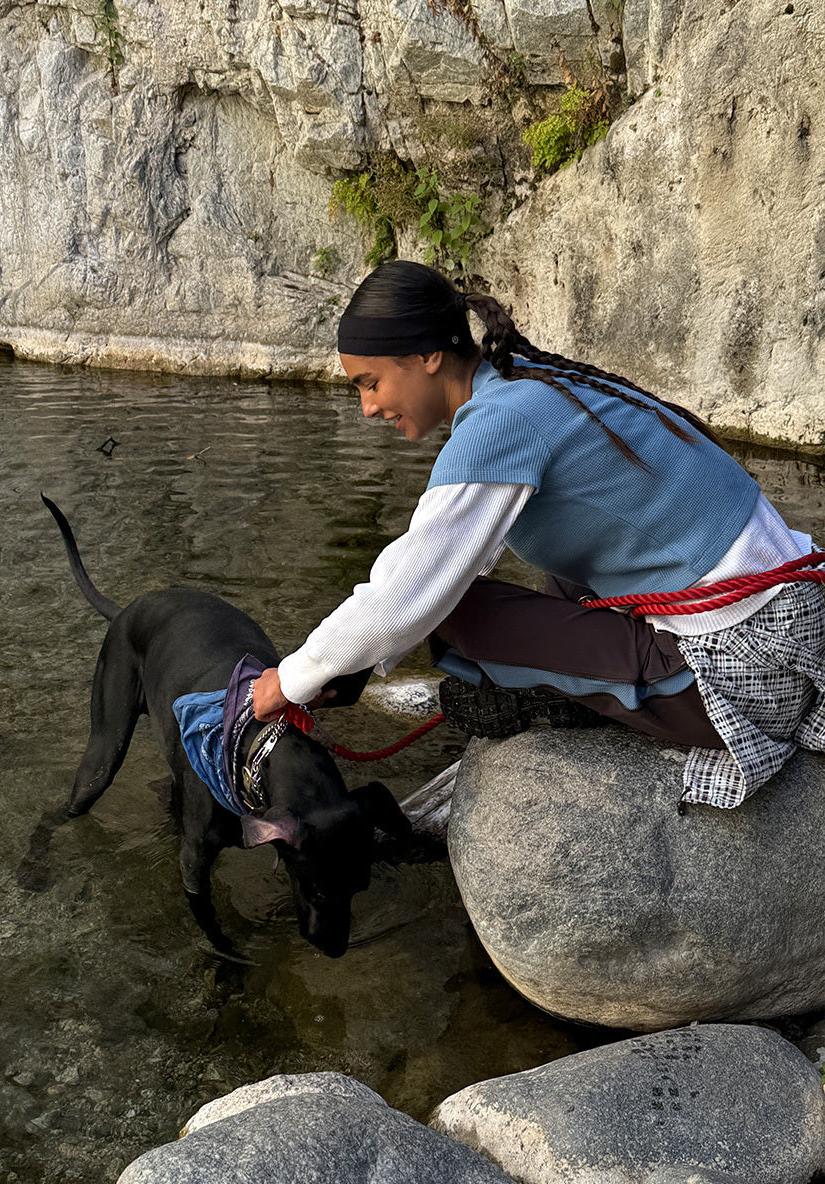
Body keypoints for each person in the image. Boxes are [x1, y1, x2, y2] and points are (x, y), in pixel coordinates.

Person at [252, 259, 825, 809]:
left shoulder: (498, 425)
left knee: (457, 613)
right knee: (542, 582)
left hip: (748, 680)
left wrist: (293, 678)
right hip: (798, 633)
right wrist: (348, 661)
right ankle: (567, 689)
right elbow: (450, 556)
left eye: (370, 383)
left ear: (427, 356)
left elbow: (412, 590)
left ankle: (563, 702)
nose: (367, 407)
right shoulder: (526, 383)